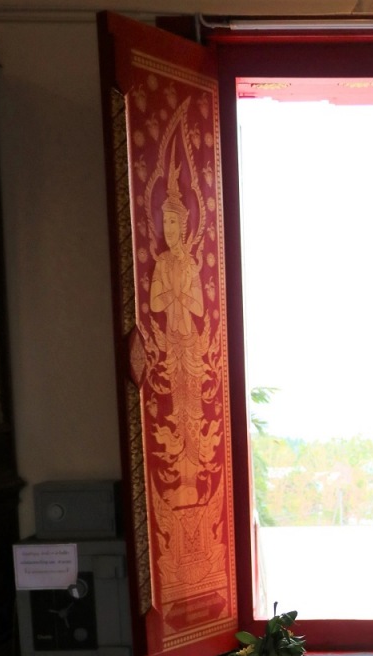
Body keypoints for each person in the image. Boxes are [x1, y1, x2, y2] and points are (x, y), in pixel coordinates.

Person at [150, 149, 206, 505]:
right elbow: (155, 304)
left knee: (192, 412)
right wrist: (171, 293)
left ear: (184, 227)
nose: (169, 230)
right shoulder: (162, 263)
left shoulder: (190, 266)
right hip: (171, 343)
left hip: (190, 343)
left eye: (174, 224)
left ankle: (192, 481)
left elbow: (198, 306)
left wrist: (181, 294)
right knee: (175, 411)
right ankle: (181, 480)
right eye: (165, 224)